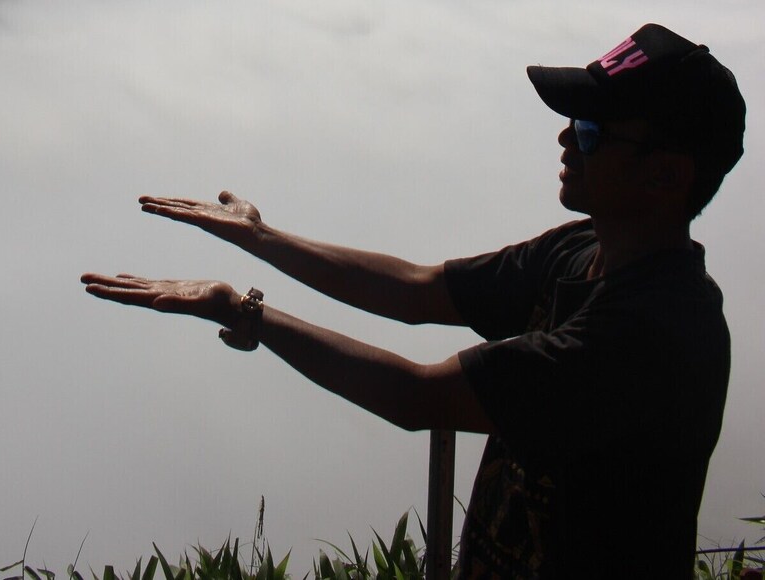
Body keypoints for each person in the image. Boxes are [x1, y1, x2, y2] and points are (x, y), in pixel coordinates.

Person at [81, 23, 745, 578]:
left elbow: (416, 396)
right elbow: (417, 289)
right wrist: (261, 238)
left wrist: (241, 311)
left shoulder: (651, 335)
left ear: (666, 175)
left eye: (593, 131)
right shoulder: (581, 251)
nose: (566, 139)